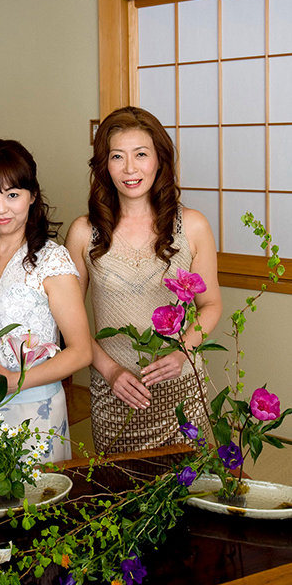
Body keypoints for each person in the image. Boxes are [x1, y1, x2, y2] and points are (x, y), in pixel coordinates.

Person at [66, 106, 221, 454]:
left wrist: (182, 352)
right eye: (117, 156)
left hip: (181, 386)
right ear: (104, 165)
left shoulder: (192, 225)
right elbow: (70, 322)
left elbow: (211, 304)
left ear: (159, 160)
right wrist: (111, 372)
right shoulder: (83, 232)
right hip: (114, 392)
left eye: (140, 154)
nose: (130, 168)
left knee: (187, 482)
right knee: (120, 484)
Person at [0, 140, 92, 478]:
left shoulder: (50, 260)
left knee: (36, 503)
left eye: (12, 194)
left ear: (32, 196)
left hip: (35, 412)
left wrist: (17, 380)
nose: (1, 208)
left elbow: (81, 351)